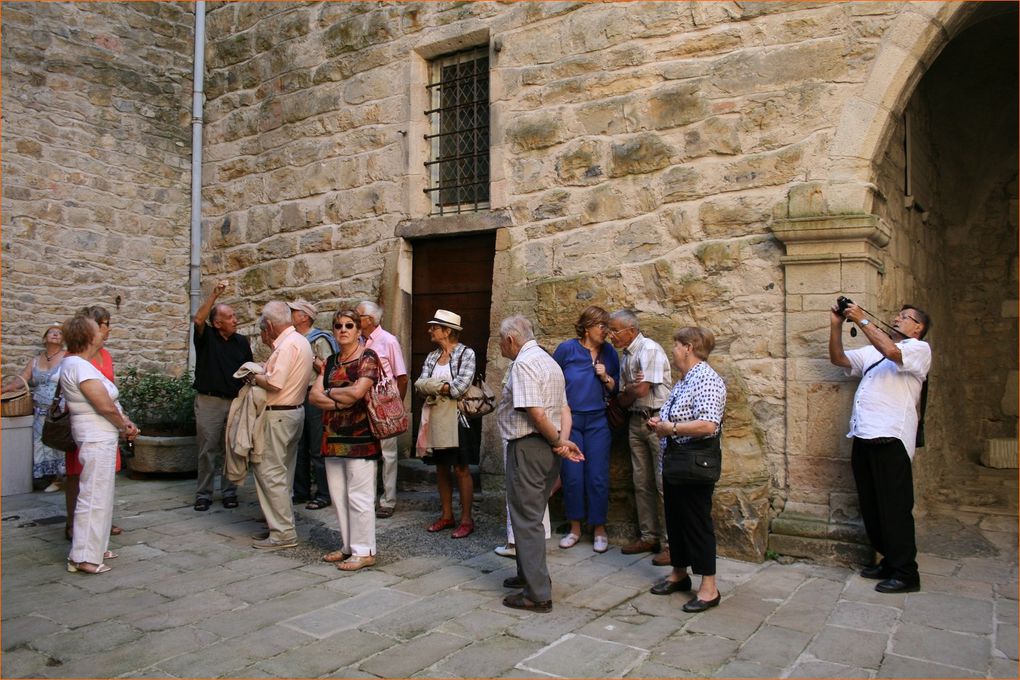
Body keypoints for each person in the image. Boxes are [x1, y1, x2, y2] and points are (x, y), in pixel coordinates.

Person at [829, 300, 932, 594]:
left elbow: (892, 351)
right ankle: (889, 561)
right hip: (864, 435)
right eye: (898, 315)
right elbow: (839, 359)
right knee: (872, 504)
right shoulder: (874, 353)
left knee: (895, 508)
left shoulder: (918, 349)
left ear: (918, 327)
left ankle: (906, 572)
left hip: (891, 437)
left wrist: (862, 320)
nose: (898, 319)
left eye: (906, 317)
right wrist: (837, 325)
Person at [497, 315, 583, 613]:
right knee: (528, 512)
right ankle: (527, 574)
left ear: (510, 339)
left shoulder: (523, 364)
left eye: (500, 340)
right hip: (545, 446)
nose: (499, 346)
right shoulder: (549, 361)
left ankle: (537, 593)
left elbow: (536, 413)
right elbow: (561, 408)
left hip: (531, 446)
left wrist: (559, 442)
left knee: (526, 517)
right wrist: (561, 440)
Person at [647, 327, 727, 612]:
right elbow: (676, 414)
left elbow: (708, 424)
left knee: (696, 522)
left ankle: (709, 587)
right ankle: (679, 573)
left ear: (689, 347)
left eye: (676, 344)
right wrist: (660, 422)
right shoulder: (684, 381)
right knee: (677, 518)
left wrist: (672, 428)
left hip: (694, 463)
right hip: (676, 461)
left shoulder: (707, 379)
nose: (673, 350)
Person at [60, 315, 139, 574]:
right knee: (93, 495)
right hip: (95, 436)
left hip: (100, 435)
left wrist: (123, 422)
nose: (103, 332)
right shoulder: (79, 366)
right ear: (87, 336)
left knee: (101, 494)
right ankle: (83, 556)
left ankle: (96, 546)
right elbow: (103, 404)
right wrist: (122, 425)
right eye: (98, 329)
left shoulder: (82, 364)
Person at [309, 309, 381, 571]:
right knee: (339, 496)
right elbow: (313, 397)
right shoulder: (330, 361)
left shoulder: (368, 357)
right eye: (338, 325)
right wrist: (339, 397)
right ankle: (348, 546)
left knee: (359, 496)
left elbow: (359, 393)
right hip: (333, 436)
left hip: (361, 437)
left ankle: (365, 551)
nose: (343, 330)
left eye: (349, 325)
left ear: (359, 330)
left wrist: (329, 394)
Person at [552, 306, 620, 553]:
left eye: (607, 327)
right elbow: (552, 380)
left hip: (598, 421)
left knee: (598, 476)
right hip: (571, 421)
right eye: (602, 326)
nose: (606, 331)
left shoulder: (609, 352)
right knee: (572, 475)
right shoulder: (566, 350)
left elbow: (616, 389)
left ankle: (599, 528)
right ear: (588, 326)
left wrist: (605, 377)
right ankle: (575, 528)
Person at [607, 310, 673, 564]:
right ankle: (649, 535)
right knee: (641, 481)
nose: (610, 335)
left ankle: (671, 544)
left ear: (631, 330)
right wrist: (632, 390)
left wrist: (632, 390)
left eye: (615, 330)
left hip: (657, 420)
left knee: (662, 484)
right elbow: (623, 399)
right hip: (636, 420)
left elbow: (641, 389)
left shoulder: (649, 349)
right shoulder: (627, 357)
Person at [247, 301, 313, 550]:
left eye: (264, 325)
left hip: (279, 415)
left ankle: (283, 533)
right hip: (293, 412)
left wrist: (253, 375)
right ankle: (280, 526)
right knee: (282, 473)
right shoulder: (300, 341)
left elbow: (275, 383)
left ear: (271, 325)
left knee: (269, 472)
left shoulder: (287, 345)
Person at [414, 309, 481, 539]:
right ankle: (446, 515)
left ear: (447, 331)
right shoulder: (432, 356)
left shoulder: (466, 354)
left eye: (434, 327)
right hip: (435, 417)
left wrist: (436, 386)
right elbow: (419, 385)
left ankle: (466, 519)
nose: (430, 330)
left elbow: (459, 387)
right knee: (441, 468)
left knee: (461, 468)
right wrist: (441, 386)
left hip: (457, 418)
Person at [192, 280, 253, 511]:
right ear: (218, 323)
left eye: (234, 316)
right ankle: (204, 494)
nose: (235, 320)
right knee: (207, 448)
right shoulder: (206, 337)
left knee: (232, 448)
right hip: (210, 401)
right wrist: (214, 295)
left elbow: (247, 369)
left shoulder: (241, 342)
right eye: (230, 317)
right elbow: (198, 320)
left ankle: (229, 492)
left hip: (235, 401)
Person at [64, 306, 124, 539]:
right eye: (105, 324)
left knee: (101, 480)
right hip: (89, 424)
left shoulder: (105, 355)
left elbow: (109, 389)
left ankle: (100, 525)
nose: (108, 329)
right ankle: (75, 525)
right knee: (79, 476)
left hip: (106, 424)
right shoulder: (74, 360)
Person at [356, 300, 408, 519]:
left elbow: (402, 376)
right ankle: (367, 498)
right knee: (367, 453)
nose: (355, 319)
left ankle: (388, 500)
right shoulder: (358, 342)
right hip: (362, 403)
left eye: (358, 316)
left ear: (370, 319)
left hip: (384, 405)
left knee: (388, 454)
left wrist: (396, 406)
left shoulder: (388, 341)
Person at [3, 323, 67, 492]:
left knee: (58, 441)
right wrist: (5, 388)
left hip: (58, 410)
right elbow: (22, 379)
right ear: (45, 338)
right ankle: (46, 478)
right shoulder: (36, 360)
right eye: (51, 332)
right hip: (39, 408)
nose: (55, 334)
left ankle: (62, 478)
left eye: (59, 333)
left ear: (63, 339)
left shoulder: (67, 358)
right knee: (42, 443)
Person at [289, 299, 338, 510]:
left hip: (314, 395)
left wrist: (310, 359)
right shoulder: (292, 338)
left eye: (294, 311)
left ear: (304, 317)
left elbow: (329, 372)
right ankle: (300, 491)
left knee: (317, 446)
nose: (290, 313)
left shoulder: (320, 339)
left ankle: (323, 493)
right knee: (299, 445)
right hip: (296, 394)